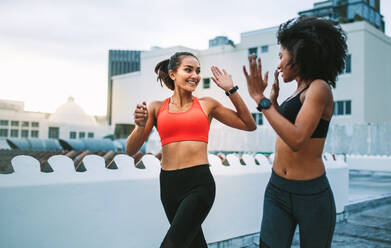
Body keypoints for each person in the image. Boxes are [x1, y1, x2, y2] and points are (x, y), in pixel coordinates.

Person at [125, 51, 256, 248]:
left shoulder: (207, 105)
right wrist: (140, 126)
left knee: (172, 244)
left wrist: (231, 90)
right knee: (192, 244)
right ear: (172, 74)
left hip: (199, 184)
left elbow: (249, 124)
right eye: (188, 70)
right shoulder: (156, 108)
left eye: (197, 71)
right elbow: (130, 150)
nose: (195, 75)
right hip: (169, 185)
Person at [243, 16, 347, 247]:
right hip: (277, 189)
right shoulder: (298, 90)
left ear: (300, 56)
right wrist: (274, 104)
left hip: (311, 195)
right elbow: (286, 128)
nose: (278, 64)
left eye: (282, 56)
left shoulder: (319, 88)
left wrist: (260, 100)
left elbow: (297, 138)